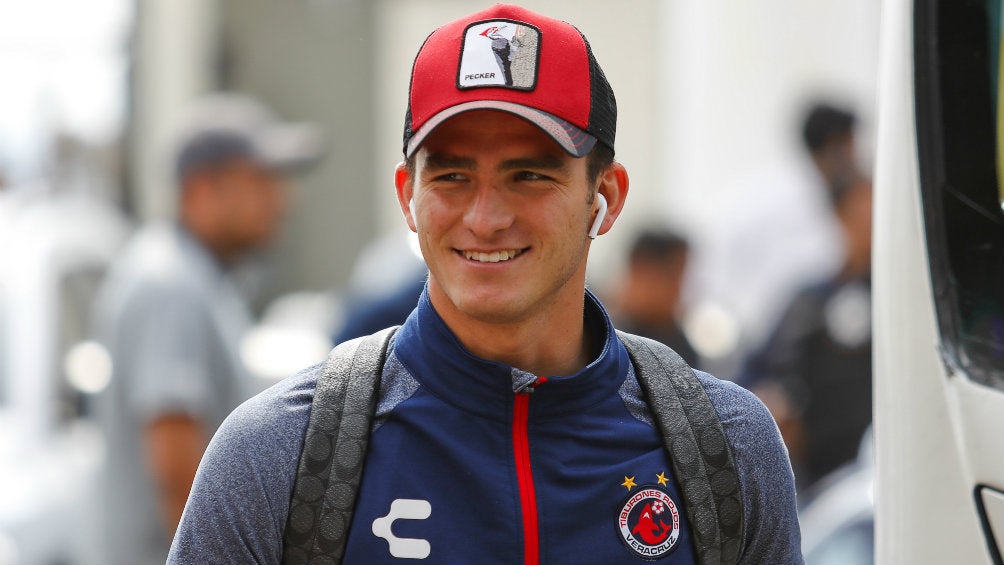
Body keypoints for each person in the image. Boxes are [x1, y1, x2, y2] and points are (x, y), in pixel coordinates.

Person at [169, 5, 802, 564]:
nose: (486, 218)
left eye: (529, 175)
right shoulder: (279, 454)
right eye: (452, 177)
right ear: (408, 197)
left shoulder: (724, 447)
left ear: (604, 196)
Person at [90, 92, 321, 564]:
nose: (281, 200)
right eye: (261, 180)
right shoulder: (169, 284)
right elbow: (176, 465)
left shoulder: (195, 275)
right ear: (202, 190)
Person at [739, 169, 873, 492]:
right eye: (862, 212)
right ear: (839, 216)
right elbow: (754, 373)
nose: (872, 222)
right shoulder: (810, 299)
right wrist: (772, 403)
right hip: (813, 479)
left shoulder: (908, 300)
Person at [608, 226, 699, 367]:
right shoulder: (603, 340)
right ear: (640, 270)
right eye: (673, 275)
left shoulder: (681, 349)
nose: (679, 289)